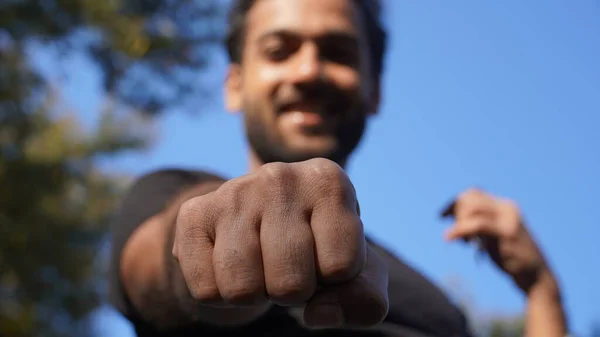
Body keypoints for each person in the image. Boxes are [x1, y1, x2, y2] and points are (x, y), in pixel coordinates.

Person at [108, 0, 568, 336]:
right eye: (278, 50)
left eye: (339, 52)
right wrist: (212, 237)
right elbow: (155, 265)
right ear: (235, 86)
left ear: (374, 93)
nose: (309, 71)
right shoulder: (167, 195)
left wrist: (542, 291)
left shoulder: (437, 306)